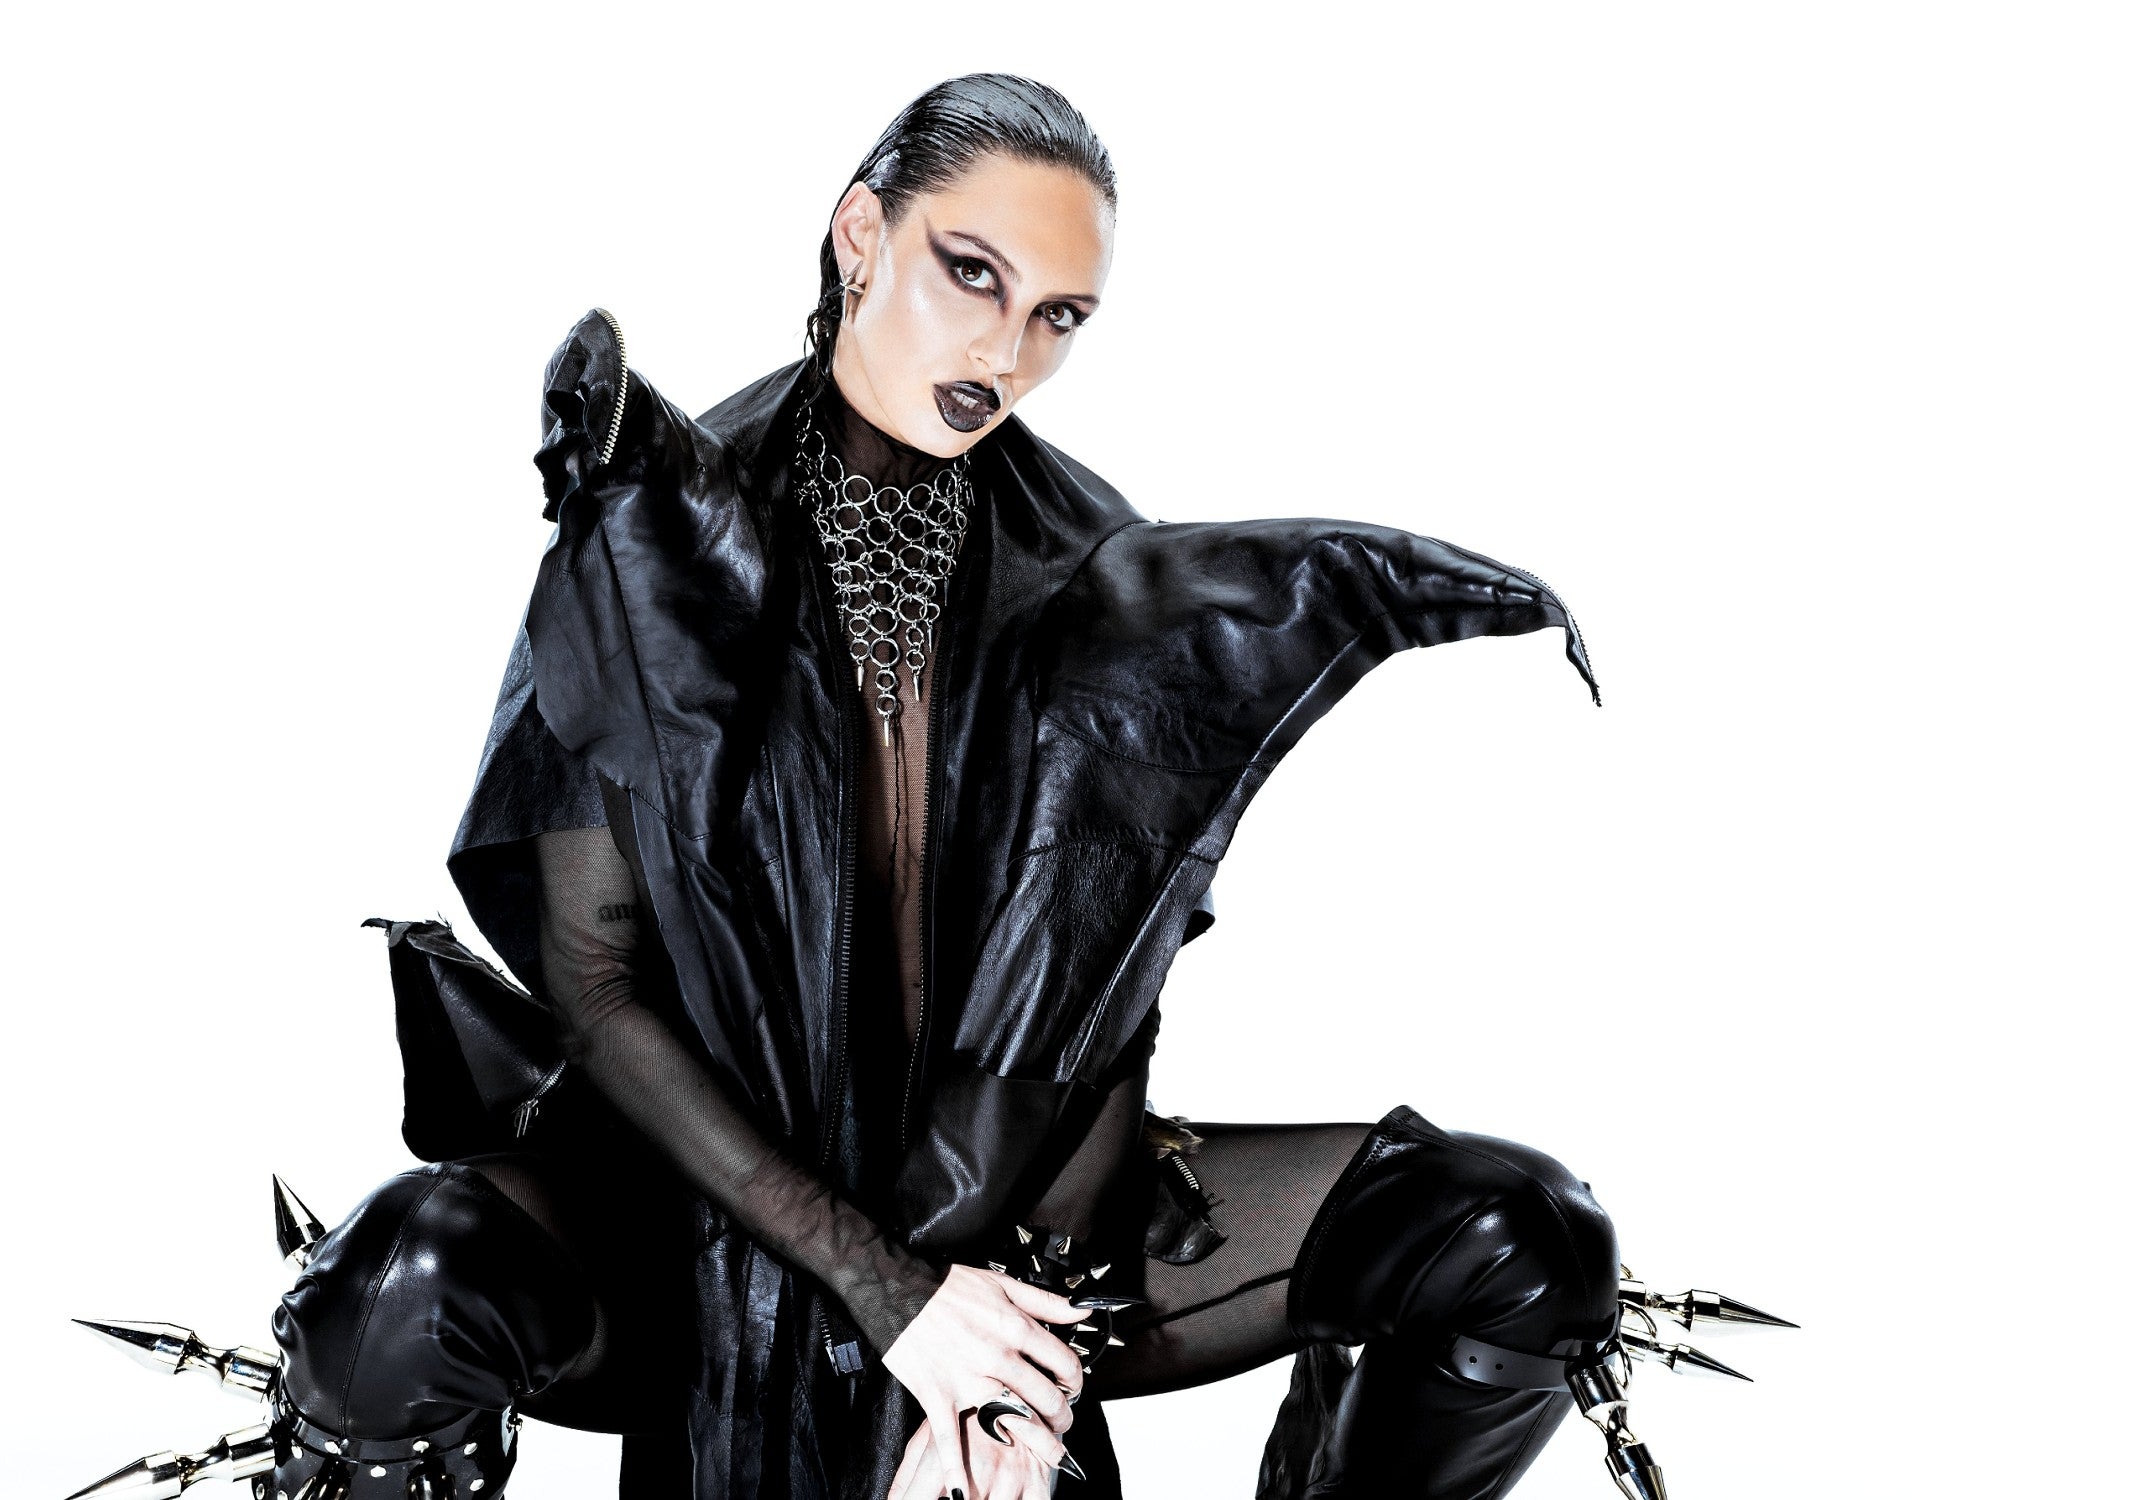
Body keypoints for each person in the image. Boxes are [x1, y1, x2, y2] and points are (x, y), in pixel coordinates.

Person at [269, 74, 1620, 1500]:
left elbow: (1101, 991)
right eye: (972, 273)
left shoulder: (1088, 560)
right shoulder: (652, 532)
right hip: (704, 1204)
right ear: (862, 235)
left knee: (1521, 1240)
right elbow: (595, 987)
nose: (1007, 350)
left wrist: (1020, 1350)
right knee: (398, 1291)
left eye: (1059, 315)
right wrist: (888, 1294)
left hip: (1003, 1205)